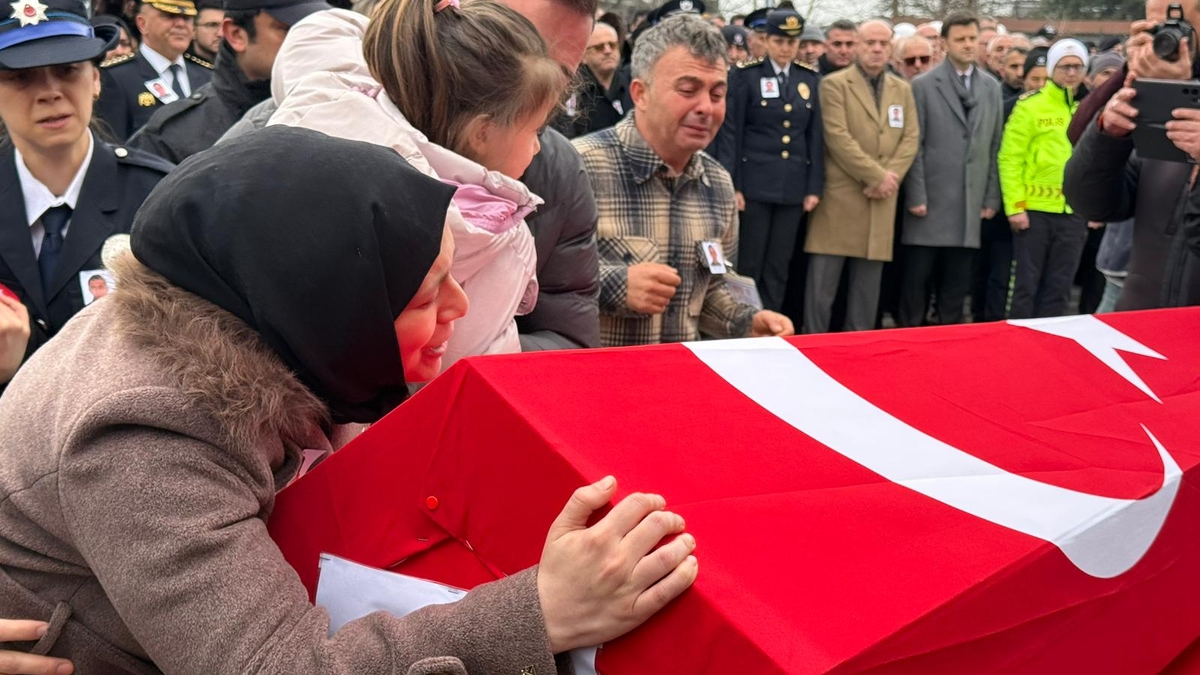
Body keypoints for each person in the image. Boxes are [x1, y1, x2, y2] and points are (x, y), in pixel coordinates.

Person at [0, 126, 698, 673]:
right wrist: (543, 610)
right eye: (427, 295)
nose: (459, 309)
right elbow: (279, 667)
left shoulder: (257, 325)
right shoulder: (146, 434)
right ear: (332, 313)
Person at [269, 0, 569, 372]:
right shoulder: (495, 239)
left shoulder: (328, 112)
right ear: (483, 132)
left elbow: (323, 34)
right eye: (535, 130)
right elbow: (465, 373)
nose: (539, 147)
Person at [573, 14, 794, 346]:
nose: (706, 107)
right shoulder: (579, 168)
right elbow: (531, 284)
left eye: (717, 94)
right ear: (640, 93)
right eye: (688, 90)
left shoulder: (718, 185)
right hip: (593, 385)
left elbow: (712, 288)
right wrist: (614, 285)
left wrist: (749, 321)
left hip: (680, 382)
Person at [0, 0, 173, 391]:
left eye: (68, 70)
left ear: (96, 79)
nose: (50, 93)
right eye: (20, 76)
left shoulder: (159, 197)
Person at [1064, 0, 1200, 310]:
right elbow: (1093, 204)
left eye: (1179, 25)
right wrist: (1108, 135)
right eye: (1155, 27)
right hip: (1143, 316)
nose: (1166, 38)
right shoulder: (1157, 95)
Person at [804, 18, 919, 334]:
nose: (877, 49)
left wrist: (890, 177)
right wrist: (875, 177)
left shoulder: (902, 89)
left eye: (883, 43)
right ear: (857, 45)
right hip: (842, 197)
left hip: (882, 199)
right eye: (870, 43)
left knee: (867, 292)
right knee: (822, 290)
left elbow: (910, 138)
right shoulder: (834, 84)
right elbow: (837, 137)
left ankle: (859, 353)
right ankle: (814, 347)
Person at [129, 0, 331, 163]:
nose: (306, 39)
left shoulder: (330, 109)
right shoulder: (172, 136)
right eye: (288, 30)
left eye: (312, 29)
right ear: (236, 35)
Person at [899, 11, 1003, 328]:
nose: (968, 45)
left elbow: (995, 146)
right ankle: (908, 341)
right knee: (916, 284)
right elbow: (913, 145)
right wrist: (916, 196)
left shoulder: (991, 87)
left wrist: (990, 198)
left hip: (969, 205)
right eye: (961, 39)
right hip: (929, 202)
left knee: (956, 287)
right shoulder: (923, 85)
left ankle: (950, 345)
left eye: (973, 38)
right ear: (944, 44)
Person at [718, 7, 822, 314]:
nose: (786, 48)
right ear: (767, 40)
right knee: (750, 261)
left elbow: (814, 136)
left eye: (792, 42)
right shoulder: (746, 76)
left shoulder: (809, 79)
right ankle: (745, 321)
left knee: (779, 263)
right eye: (779, 41)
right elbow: (732, 133)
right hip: (754, 184)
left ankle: (772, 322)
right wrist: (733, 183)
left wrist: (813, 186)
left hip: (792, 186)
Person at [998, 39, 1089, 318]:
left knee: (1060, 287)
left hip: (1074, 212)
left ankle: (1053, 347)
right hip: (1034, 212)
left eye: (1077, 66)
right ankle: (1019, 344)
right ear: (1051, 69)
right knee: (1026, 285)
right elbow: (1010, 158)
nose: (1071, 73)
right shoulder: (1030, 106)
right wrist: (1016, 207)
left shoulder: (1090, 106)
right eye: (1064, 67)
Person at [94, 0, 214, 140]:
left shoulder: (207, 76)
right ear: (142, 24)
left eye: (187, 18)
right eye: (170, 16)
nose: (181, 24)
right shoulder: (117, 77)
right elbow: (113, 144)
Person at [555, 21, 630, 138]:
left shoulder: (631, 84)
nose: (608, 51)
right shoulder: (573, 92)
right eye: (599, 47)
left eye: (613, 45)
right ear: (584, 56)